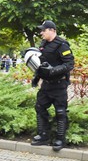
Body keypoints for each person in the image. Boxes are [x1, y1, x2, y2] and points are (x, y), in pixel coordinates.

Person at [30, 20, 75, 151]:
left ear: (52, 30)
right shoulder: (43, 44)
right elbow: (41, 64)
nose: (41, 33)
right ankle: (43, 135)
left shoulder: (62, 45)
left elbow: (69, 64)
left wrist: (54, 70)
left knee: (60, 112)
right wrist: (36, 77)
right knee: (40, 107)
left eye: (44, 30)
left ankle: (60, 139)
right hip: (46, 85)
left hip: (59, 84)